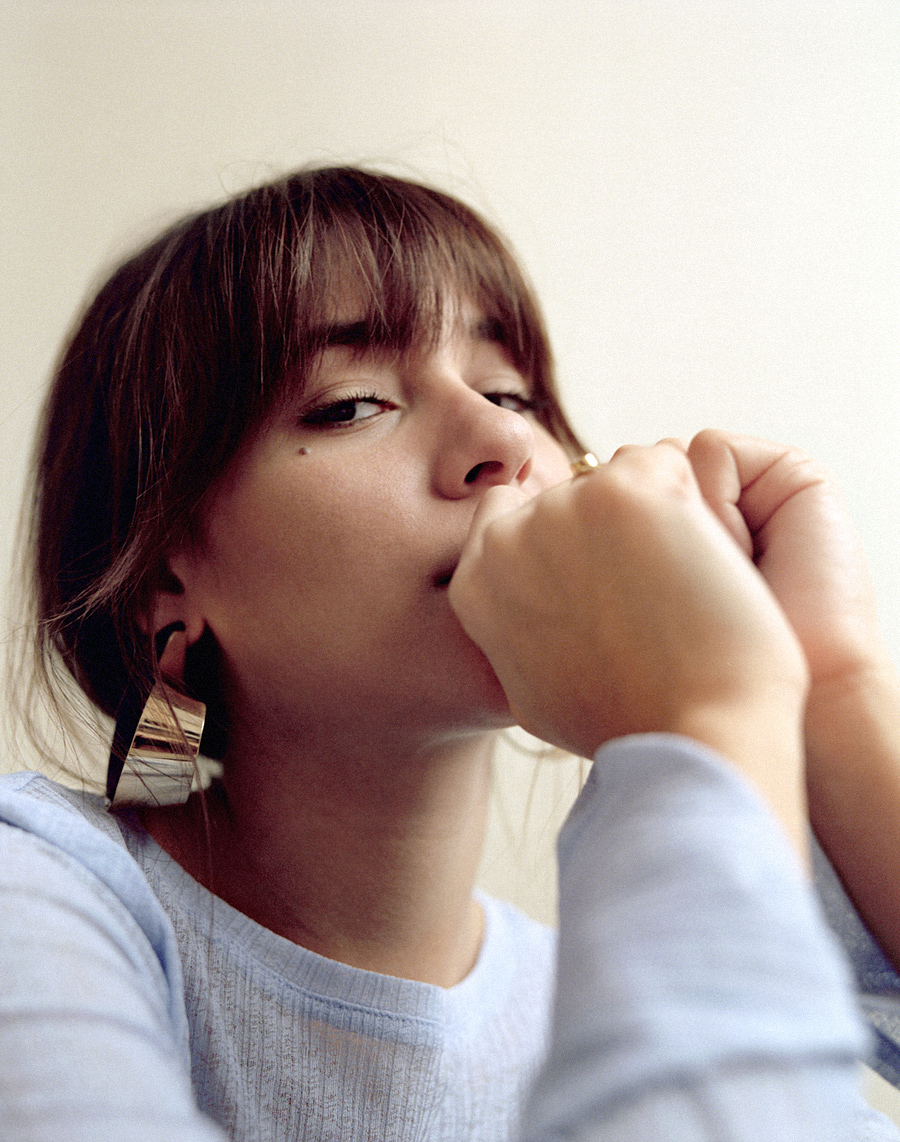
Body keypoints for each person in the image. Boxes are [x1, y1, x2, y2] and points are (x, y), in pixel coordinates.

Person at [1, 165, 900, 1141]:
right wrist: (707, 715)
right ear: (161, 589)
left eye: (510, 389)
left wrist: (833, 692)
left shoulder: (598, 989)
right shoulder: (42, 893)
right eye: (352, 403)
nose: (503, 437)